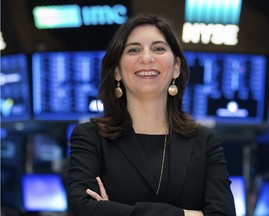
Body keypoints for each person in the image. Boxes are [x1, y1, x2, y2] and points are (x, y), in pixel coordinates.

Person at [67, 14, 236, 216]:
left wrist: (110, 210)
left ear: (176, 68)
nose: (146, 57)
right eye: (133, 50)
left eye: (159, 49)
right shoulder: (90, 137)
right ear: (117, 72)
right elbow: (84, 210)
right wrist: (189, 214)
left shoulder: (205, 141)